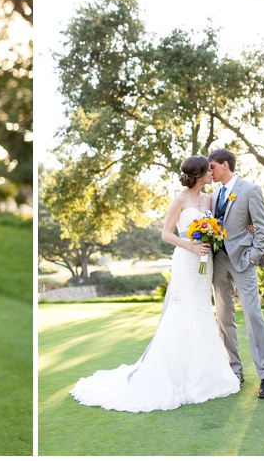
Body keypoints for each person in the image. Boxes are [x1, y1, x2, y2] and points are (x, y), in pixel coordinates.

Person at [70, 156, 240, 412]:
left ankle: (205, 374)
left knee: (203, 310)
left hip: (205, 263)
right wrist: (191, 246)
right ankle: (175, 375)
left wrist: (239, 229)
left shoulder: (210, 199)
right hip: (186, 259)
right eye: (208, 171)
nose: (211, 174)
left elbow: (225, 221)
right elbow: (166, 234)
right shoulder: (181, 199)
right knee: (182, 311)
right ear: (200, 174)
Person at [208, 148, 264, 398]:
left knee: (253, 315)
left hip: (243, 262)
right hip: (219, 262)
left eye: (212, 166)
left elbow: (263, 227)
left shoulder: (250, 190)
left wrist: (253, 257)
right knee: (224, 318)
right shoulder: (214, 195)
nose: (210, 171)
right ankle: (234, 370)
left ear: (225, 165)